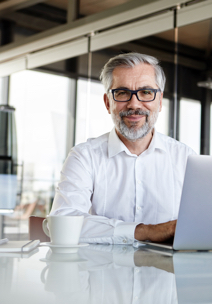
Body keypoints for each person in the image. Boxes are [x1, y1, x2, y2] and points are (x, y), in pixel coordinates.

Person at [50, 52, 195, 245]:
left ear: (159, 101)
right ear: (108, 102)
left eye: (145, 92)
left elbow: (202, 223)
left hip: (167, 272)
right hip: (103, 271)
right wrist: (145, 231)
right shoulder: (84, 156)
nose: (134, 104)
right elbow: (64, 222)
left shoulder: (185, 158)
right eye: (122, 93)